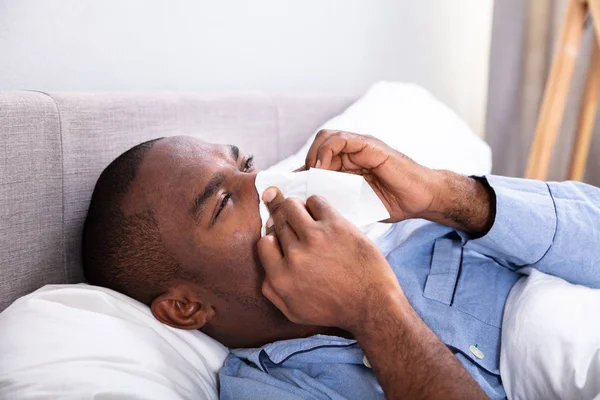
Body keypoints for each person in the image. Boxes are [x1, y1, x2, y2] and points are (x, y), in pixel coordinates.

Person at [82, 131, 600, 400]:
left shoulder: (418, 228)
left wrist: (444, 194)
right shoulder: (270, 392)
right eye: (222, 203)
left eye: (245, 165)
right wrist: (373, 310)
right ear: (186, 307)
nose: (263, 186)